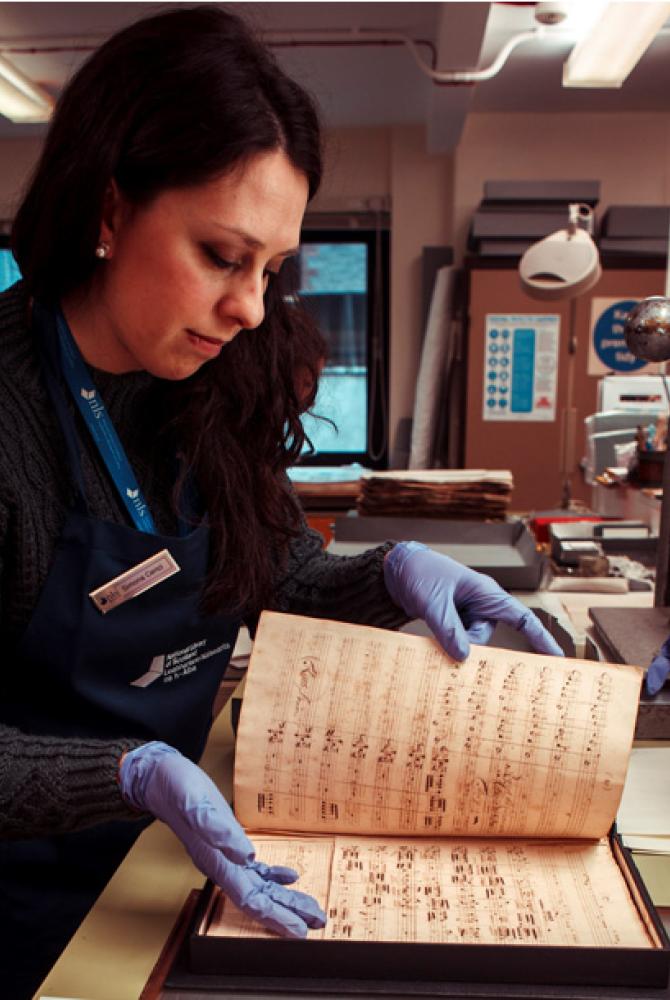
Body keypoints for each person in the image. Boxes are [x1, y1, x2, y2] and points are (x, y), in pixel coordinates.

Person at [0, 6, 563, 997]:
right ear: (107, 210)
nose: (252, 307)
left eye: (272, 269)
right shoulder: (11, 417)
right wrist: (124, 770)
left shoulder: (216, 377)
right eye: (222, 256)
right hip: (23, 909)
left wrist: (382, 574)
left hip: (179, 863)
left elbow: (269, 569)